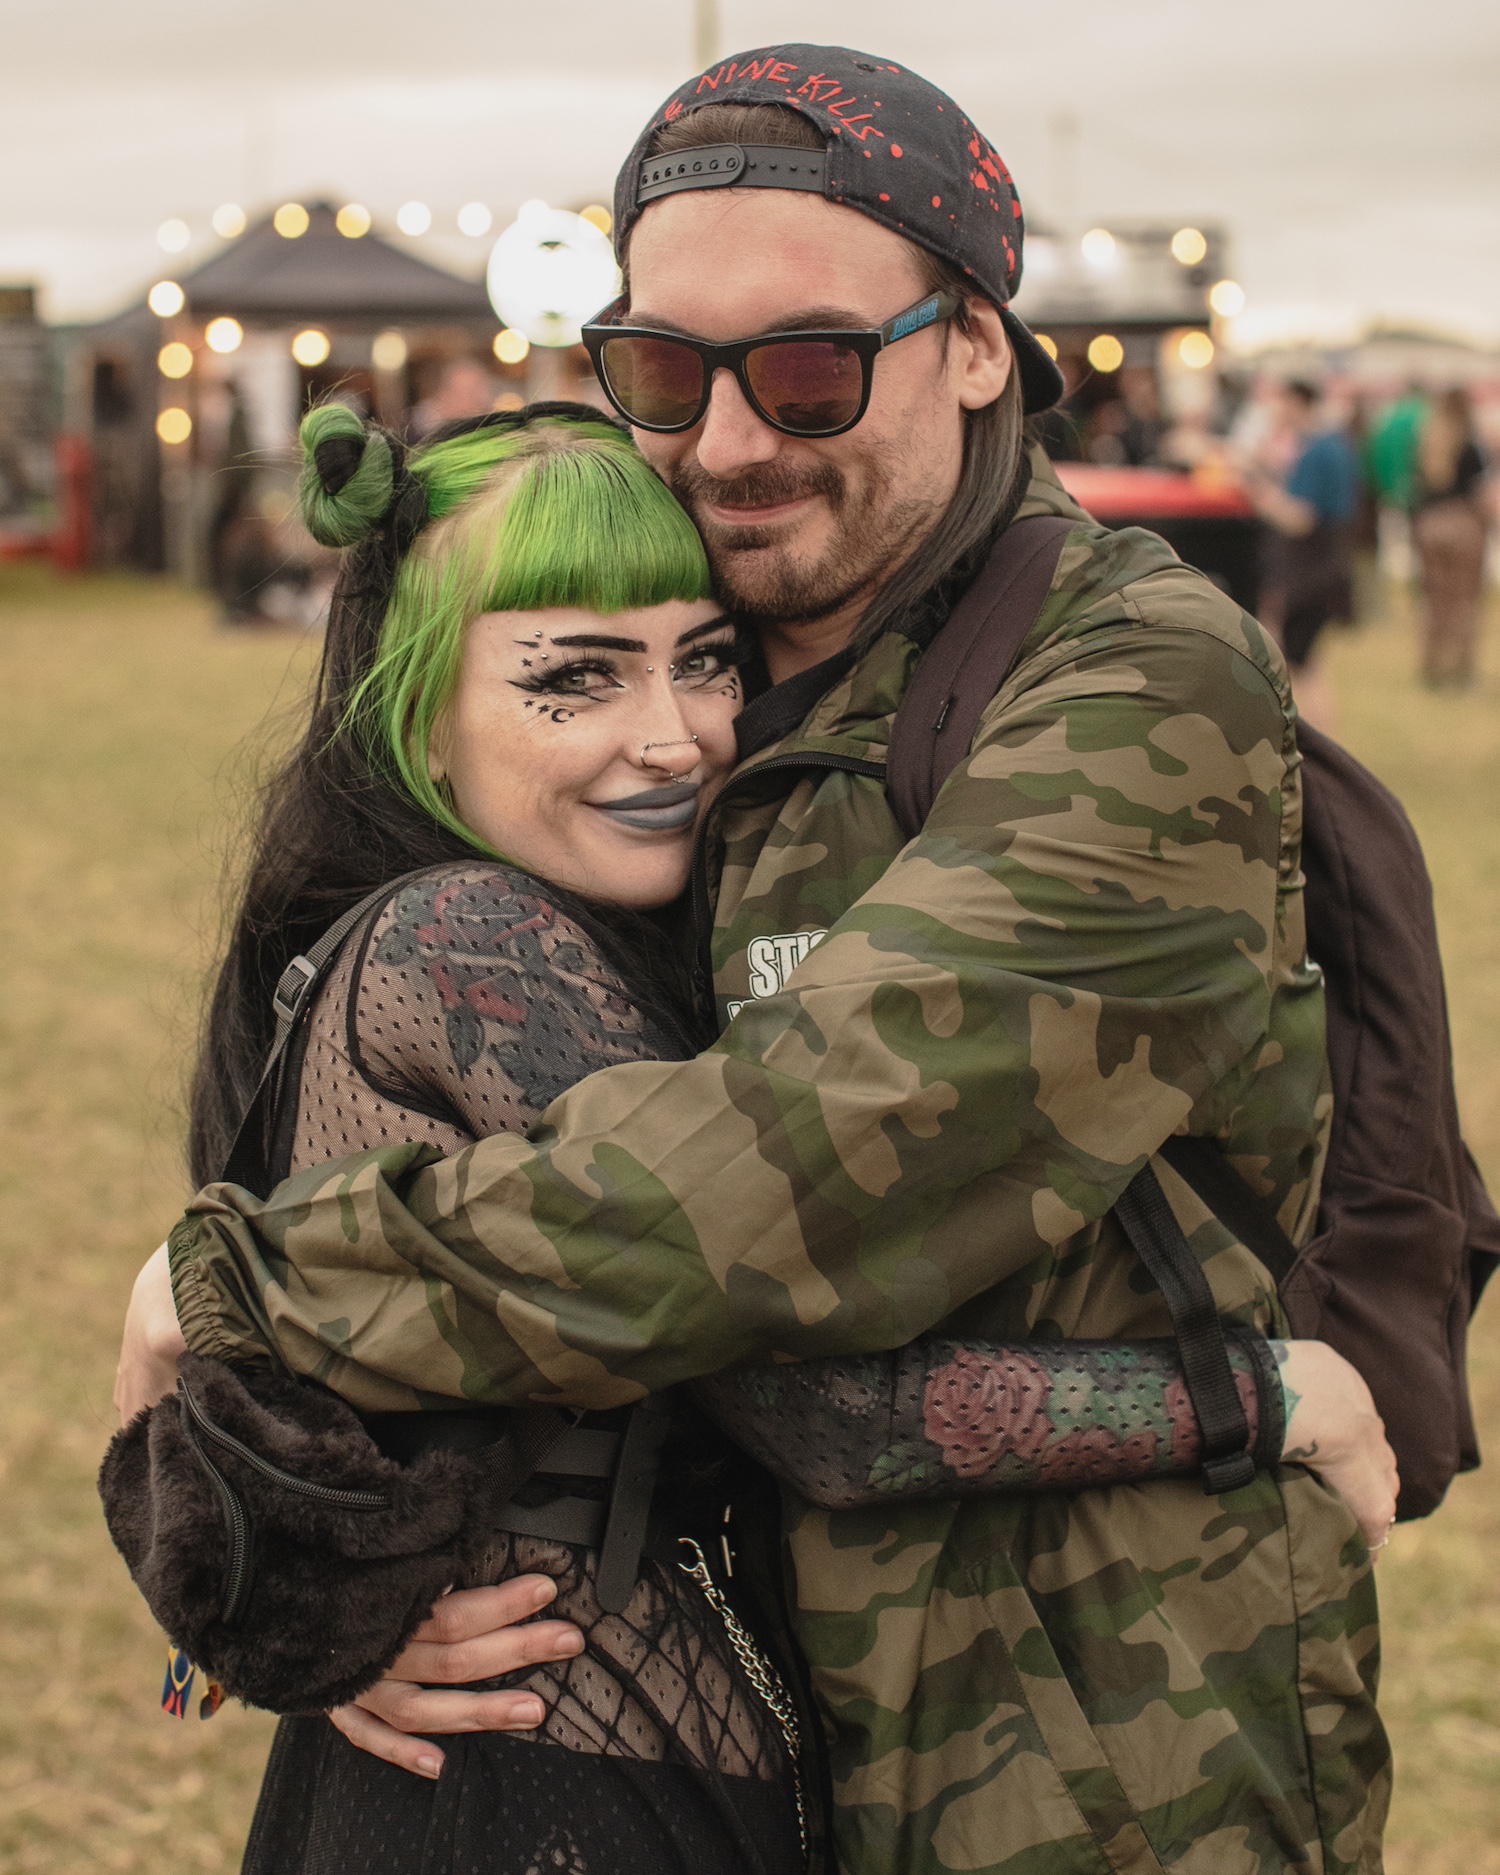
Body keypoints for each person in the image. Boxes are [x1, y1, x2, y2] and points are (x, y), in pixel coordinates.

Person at [118, 47, 1396, 1875]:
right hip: (713, 1752)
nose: (724, 443)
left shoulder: (1127, 678)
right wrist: (320, 1595)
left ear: (974, 343)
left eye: (808, 369)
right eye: (659, 371)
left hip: (1096, 1751)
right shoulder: (700, 710)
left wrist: (237, 1291)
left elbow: (794, 1173)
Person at [1245, 379, 1361, 689]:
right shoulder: (1332, 443)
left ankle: (1310, 735)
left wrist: (1257, 493)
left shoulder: (1317, 451)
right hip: (1325, 563)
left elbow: (1299, 519)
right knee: (1308, 664)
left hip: (1311, 569)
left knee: (1297, 669)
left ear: (1296, 402)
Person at [1411, 386, 1490, 687]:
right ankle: (1460, 669)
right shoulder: (1470, 445)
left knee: (1433, 598)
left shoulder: (1427, 443)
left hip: (1429, 524)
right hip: (1462, 524)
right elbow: (1481, 493)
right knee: (1464, 601)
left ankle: (1431, 665)